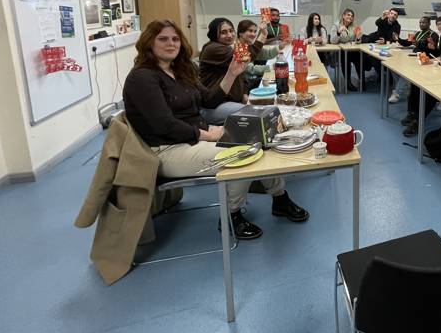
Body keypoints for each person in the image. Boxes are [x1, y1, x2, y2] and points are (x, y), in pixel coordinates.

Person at [123, 19, 309, 240]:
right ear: (148, 43)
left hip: (193, 137)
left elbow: (210, 100)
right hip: (166, 149)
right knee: (242, 155)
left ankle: (280, 198)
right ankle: (232, 215)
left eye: (174, 39)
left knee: (261, 136)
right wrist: (207, 133)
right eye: (162, 39)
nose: (171, 44)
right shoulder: (142, 78)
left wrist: (231, 73)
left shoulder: (180, 71)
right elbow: (164, 124)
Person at [198, 18, 260, 124]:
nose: (230, 35)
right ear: (214, 34)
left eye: (231, 31)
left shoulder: (227, 47)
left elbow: (241, 74)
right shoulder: (213, 48)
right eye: (223, 32)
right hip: (214, 106)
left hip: (228, 101)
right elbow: (249, 55)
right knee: (256, 115)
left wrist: (244, 93)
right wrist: (263, 34)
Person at [389, 16, 439, 104]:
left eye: (424, 22)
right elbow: (406, 43)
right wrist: (398, 39)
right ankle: (404, 88)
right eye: (420, 22)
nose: (421, 24)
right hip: (413, 56)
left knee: (406, 72)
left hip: (424, 58)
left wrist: (419, 44)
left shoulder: (433, 35)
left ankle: (397, 93)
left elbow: (432, 50)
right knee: (393, 68)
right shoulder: (417, 33)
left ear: (429, 24)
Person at [237, 19, 281, 92]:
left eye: (255, 31)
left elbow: (267, 54)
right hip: (245, 85)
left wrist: (280, 47)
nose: (253, 34)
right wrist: (270, 67)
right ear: (241, 33)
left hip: (249, 81)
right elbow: (250, 69)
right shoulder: (239, 47)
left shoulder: (248, 44)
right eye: (250, 31)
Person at [331, 8, 362, 92]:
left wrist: (358, 38)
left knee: (360, 56)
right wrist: (338, 32)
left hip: (351, 49)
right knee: (346, 58)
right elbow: (332, 41)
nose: (350, 17)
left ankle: (362, 80)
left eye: (352, 16)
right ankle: (348, 82)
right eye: (348, 15)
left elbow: (357, 41)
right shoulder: (336, 25)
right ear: (343, 16)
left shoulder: (354, 26)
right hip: (340, 51)